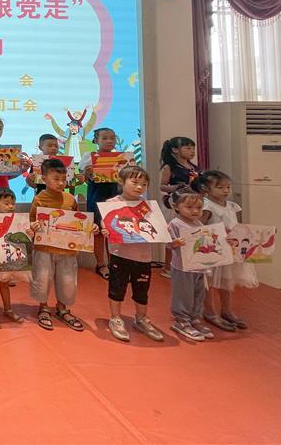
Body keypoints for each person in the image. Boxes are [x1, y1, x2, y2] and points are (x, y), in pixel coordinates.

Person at [30, 158, 97, 332]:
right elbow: (31, 221)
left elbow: (78, 222)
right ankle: (43, 307)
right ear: (44, 178)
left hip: (67, 249)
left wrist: (90, 228)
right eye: (56, 179)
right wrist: (33, 226)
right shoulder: (39, 199)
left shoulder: (70, 199)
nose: (60, 183)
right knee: (42, 278)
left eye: (63, 179)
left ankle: (62, 308)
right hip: (44, 248)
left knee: (67, 280)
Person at [100, 166, 164, 342]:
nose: (139, 187)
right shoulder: (113, 203)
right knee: (117, 288)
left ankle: (141, 318)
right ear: (121, 182)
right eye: (135, 182)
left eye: (144, 184)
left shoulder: (146, 205)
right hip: (120, 254)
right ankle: (115, 318)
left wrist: (161, 229)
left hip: (143, 257)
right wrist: (105, 229)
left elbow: (154, 227)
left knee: (142, 290)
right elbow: (106, 223)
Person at [195, 170, 257, 331]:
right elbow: (200, 228)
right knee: (208, 282)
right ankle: (209, 311)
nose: (226, 190)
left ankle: (226, 310)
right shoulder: (207, 206)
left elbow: (238, 226)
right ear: (206, 188)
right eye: (220, 187)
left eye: (228, 187)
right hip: (213, 249)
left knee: (226, 280)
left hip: (229, 249)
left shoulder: (232, 206)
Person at [166, 186, 210, 341]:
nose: (195, 211)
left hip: (199, 267)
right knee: (183, 294)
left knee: (198, 294)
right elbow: (167, 244)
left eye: (199, 208)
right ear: (177, 206)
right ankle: (181, 320)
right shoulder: (175, 223)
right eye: (189, 207)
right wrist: (175, 243)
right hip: (182, 267)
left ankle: (195, 318)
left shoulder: (199, 224)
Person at [0, 187, 27, 327]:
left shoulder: (17, 220)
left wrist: (29, 233)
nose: (10, 206)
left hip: (7, 256)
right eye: (6, 203)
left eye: (13, 203)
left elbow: (22, 236)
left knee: (5, 283)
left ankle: (8, 309)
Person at [79, 127, 119, 280]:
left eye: (112, 138)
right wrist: (87, 173)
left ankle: (114, 264)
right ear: (96, 140)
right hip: (96, 197)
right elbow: (82, 178)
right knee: (99, 233)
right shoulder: (89, 157)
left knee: (114, 231)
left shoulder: (120, 157)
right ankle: (101, 264)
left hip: (115, 197)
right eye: (104, 138)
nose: (109, 141)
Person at [159, 137, 199, 278]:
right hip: (175, 203)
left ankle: (187, 263)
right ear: (175, 150)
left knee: (190, 233)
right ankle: (168, 266)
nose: (192, 151)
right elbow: (162, 186)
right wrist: (177, 187)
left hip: (192, 203)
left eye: (193, 148)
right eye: (188, 148)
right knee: (173, 235)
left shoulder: (193, 167)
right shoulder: (169, 167)